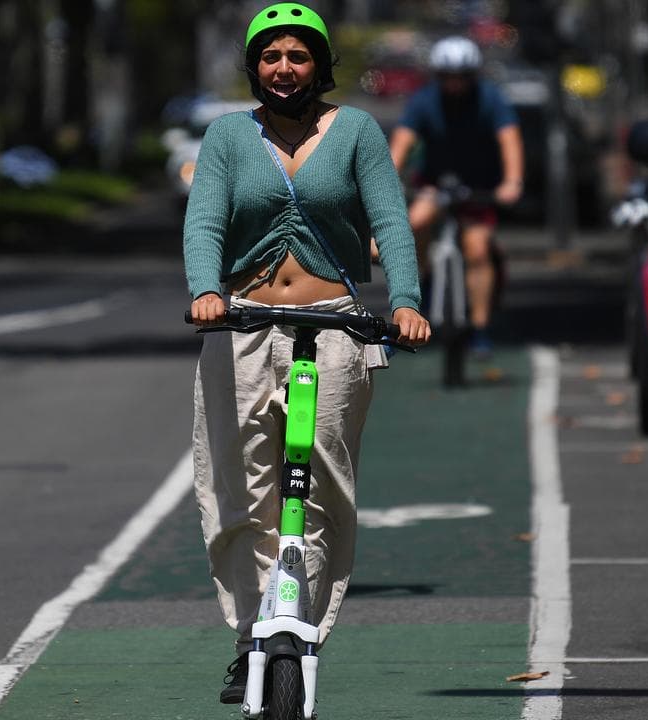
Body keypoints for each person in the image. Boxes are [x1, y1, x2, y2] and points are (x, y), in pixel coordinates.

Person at [183, 2, 430, 705]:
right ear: (254, 66)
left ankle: (300, 628)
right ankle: (248, 638)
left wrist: (405, 301)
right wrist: (207, 290)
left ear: (320, 67)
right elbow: (204, 220)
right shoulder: (229, 135)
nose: (283, 69)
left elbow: (389, 217)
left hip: (335, 327)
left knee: (320, 487)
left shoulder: (355, 131)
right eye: (270, 57)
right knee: (239, 491)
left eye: (297, 57)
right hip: (241, 325)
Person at [389, 35, 524, 360]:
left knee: (477, 250)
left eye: (461, 76)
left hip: (478, 188)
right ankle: (425, 277)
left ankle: (479, 328)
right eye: (448, 76)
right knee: (415, 223)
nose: (455, 84)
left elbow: (509, 139)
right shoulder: (424, 101)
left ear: (472, 75)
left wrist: (512, 181)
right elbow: (401, 144)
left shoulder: (490, 100)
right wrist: (387, 178)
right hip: (434, 184)